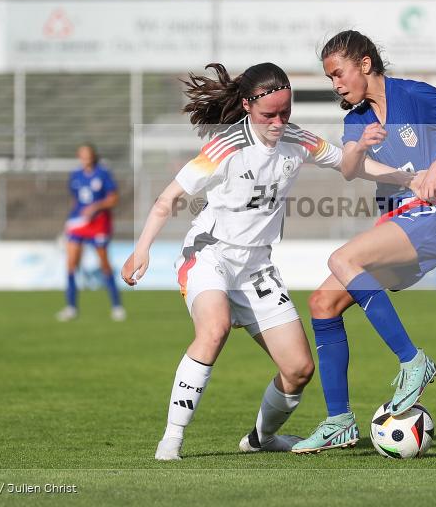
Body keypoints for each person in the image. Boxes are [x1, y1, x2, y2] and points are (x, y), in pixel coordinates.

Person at [120, 62, 411, 461]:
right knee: (215, 328)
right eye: (268, 115)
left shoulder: (299, 140)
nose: (278, 122)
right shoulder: (225, 148)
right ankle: (171, 438)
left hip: (257, 268)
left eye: (285, 112)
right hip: (210, 255)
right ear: (246, 107)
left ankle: (261, 437)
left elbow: (354, 165)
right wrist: (142, 249)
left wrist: (408, 179)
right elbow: (168, 198)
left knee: (298, 370)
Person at [292, 30, 436, 454]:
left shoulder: (415, 96)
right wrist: (358, 148)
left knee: (342, 258)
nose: (336, 85)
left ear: (365, 64)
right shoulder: (357, 118)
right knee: (322, 304)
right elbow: (350, 169)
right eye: (330, 78)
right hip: (401, 220)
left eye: (339, 74)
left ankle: (413, 362)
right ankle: (339, 422)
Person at [57, 143, 125, 322]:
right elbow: (76, 201)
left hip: (99, 224)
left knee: (104, 264)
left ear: (93, 155)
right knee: (71, 264)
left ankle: (117, 306)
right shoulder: (75, 176)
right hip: (79, 223)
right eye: (82, 154)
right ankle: (71, 307)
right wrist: (70, 222)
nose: (85, 157)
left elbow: (114, 198)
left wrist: (97, 206)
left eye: (87, 154)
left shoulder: (103, 174)